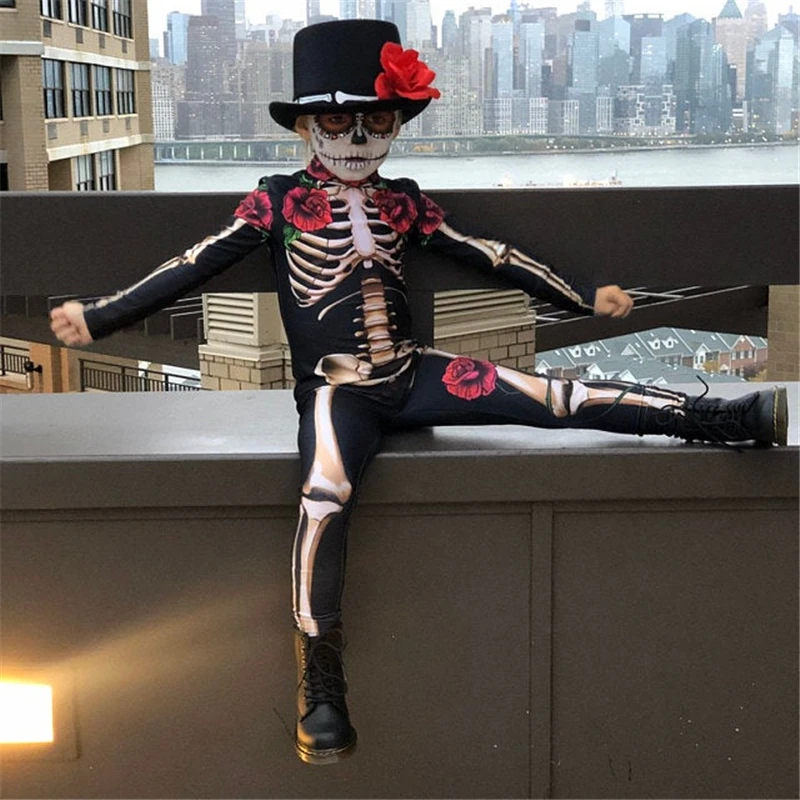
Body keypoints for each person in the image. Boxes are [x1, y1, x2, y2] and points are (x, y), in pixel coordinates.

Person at [50, 19, 788, 767]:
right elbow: (192, 265)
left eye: (376, 121)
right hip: (338, 390)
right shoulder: (275, 202)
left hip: (417, 371)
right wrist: (102, 316)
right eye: (336, 121)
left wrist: (580, 298)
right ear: (305, 127)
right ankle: (320, 679)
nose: (356, 137)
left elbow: (490, 255)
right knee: (324, 492)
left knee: (554, 395)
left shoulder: (403, 203)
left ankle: (716, 416)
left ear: (396, 126)